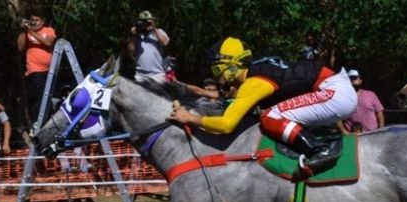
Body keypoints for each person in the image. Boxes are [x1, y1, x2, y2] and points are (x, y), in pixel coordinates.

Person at [169, 37, 357, 178]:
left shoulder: (254, 83)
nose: (212, 73)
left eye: (215, 67)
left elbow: (226, 125)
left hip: (334, 91)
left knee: (270, 117)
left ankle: (318, 150)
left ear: (230, 66)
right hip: (334, 89)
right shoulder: (253, 77)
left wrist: (190, 118)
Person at [16, 10, 56, 129]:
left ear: (42, 21)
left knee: (48, 97)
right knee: (39, 96)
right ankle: (38, 123)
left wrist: (31, 31)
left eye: (36, 20)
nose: (33, 22)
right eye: (32, 20)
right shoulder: (26, 33)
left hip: (49, 71)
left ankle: (47, 122)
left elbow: (48, 42)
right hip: (34, 71)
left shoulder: (48, 30)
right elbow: (20, 48)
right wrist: (24, 31)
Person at [126, 10, 170, 83]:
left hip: (157, 75)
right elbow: (130, 52)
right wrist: (132, 36)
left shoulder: (159, 32)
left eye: (148, 22)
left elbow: (165, 43)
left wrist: (154, 29)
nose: (145, 24)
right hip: (140, 75)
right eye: (143, 22)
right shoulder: (135, 35)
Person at [336, 69, 384, 134]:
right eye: (349, 78)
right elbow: (337, 116)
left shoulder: (371, 94)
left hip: (373, 134)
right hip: (351, 135)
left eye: (354, 78)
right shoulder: (341, 98)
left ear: (360, 81)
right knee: (348, 144)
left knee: (377, 145)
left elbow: (379, 113)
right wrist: (344, 131)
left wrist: (381, 130)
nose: (352, 80)